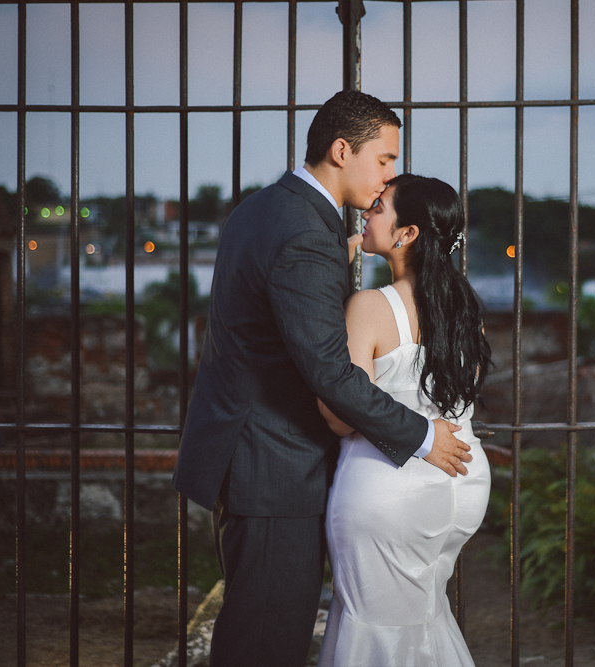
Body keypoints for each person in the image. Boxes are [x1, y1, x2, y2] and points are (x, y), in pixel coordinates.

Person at [171, 90, 474, 667]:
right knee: (265, 645)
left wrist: (341, 252)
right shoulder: (307, 235)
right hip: (273, 468)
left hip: (252, 456)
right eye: (384, 160)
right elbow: (329, 371)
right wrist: (424, 436)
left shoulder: (269, 208)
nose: (390, 176)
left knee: (260, 632)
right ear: (342, 150)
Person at [316, 174, 492, 666]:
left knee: (375, 631)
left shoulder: (371, 307)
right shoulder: (465, 309)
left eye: (378, 207)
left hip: (389, 493)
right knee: (424, 621)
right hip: (462, 484)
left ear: (407, 233)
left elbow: (338, 417)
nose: (365, 213)